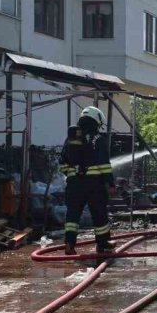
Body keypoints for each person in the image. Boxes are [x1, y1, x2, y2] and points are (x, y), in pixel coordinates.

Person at [61, 106, 114, 263]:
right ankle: (103, 244)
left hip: (73, 184)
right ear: (96, 120)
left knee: (72, 215)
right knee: (99, 214)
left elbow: (62, 163)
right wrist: (110, 182)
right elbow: (104, 164)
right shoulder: (98, 139)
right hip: (94, 185)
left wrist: (73, 174)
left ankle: (69, 244)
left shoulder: (70, 140)